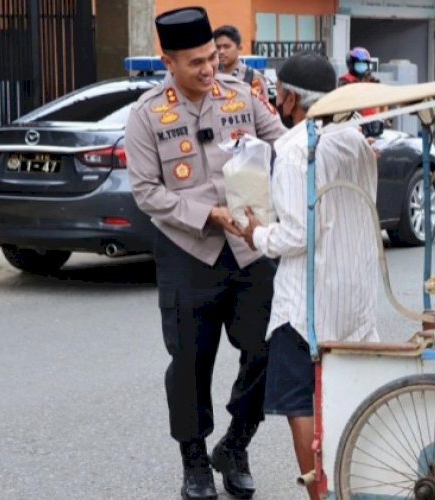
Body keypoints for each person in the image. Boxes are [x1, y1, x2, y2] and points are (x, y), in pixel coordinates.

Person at [124, 7, 286, 500]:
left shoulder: (240, 95)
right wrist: (206, 214)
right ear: (167, 61)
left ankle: (235, 445)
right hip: (187, 249)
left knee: (269, 349)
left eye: (212, 58)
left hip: (248, 247)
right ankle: (194, 461)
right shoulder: (147, 115)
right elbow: (146, 192)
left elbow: (284, 141)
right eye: (195, 62)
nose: (208, 69)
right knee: (190, 363)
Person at [237, 51, 380, 500]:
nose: (277, 99)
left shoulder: (296, 148)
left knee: (301, 402)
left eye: (279, 92)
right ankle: (350, 482)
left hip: (308, 302)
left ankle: (320, 494)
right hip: (354, 293)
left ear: (291, 96)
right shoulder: (354, 139)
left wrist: (255, 232)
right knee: (345, 393)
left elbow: (297, 234)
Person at [214, 24, 269, 101]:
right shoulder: (213, 77)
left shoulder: (252, 77)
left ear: (239, 48)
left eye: (226, 47)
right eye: (218, 47)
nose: (221, 51)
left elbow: (263, 109)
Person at [338, 46, 379, 117]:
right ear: (351, 64)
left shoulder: (370, 80)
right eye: (359, 63)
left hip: (371, 120)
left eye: (364, 64)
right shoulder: (344, 81)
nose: (362, 66)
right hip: (354, 121)